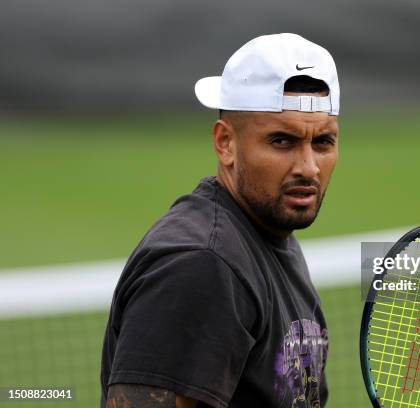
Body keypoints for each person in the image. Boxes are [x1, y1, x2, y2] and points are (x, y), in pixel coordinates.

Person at [100, 33, 340, 408]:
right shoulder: (203, 264)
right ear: (225, 143)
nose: (308, 167)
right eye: (282, 141)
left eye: (323, 142)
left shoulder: (270, 236)